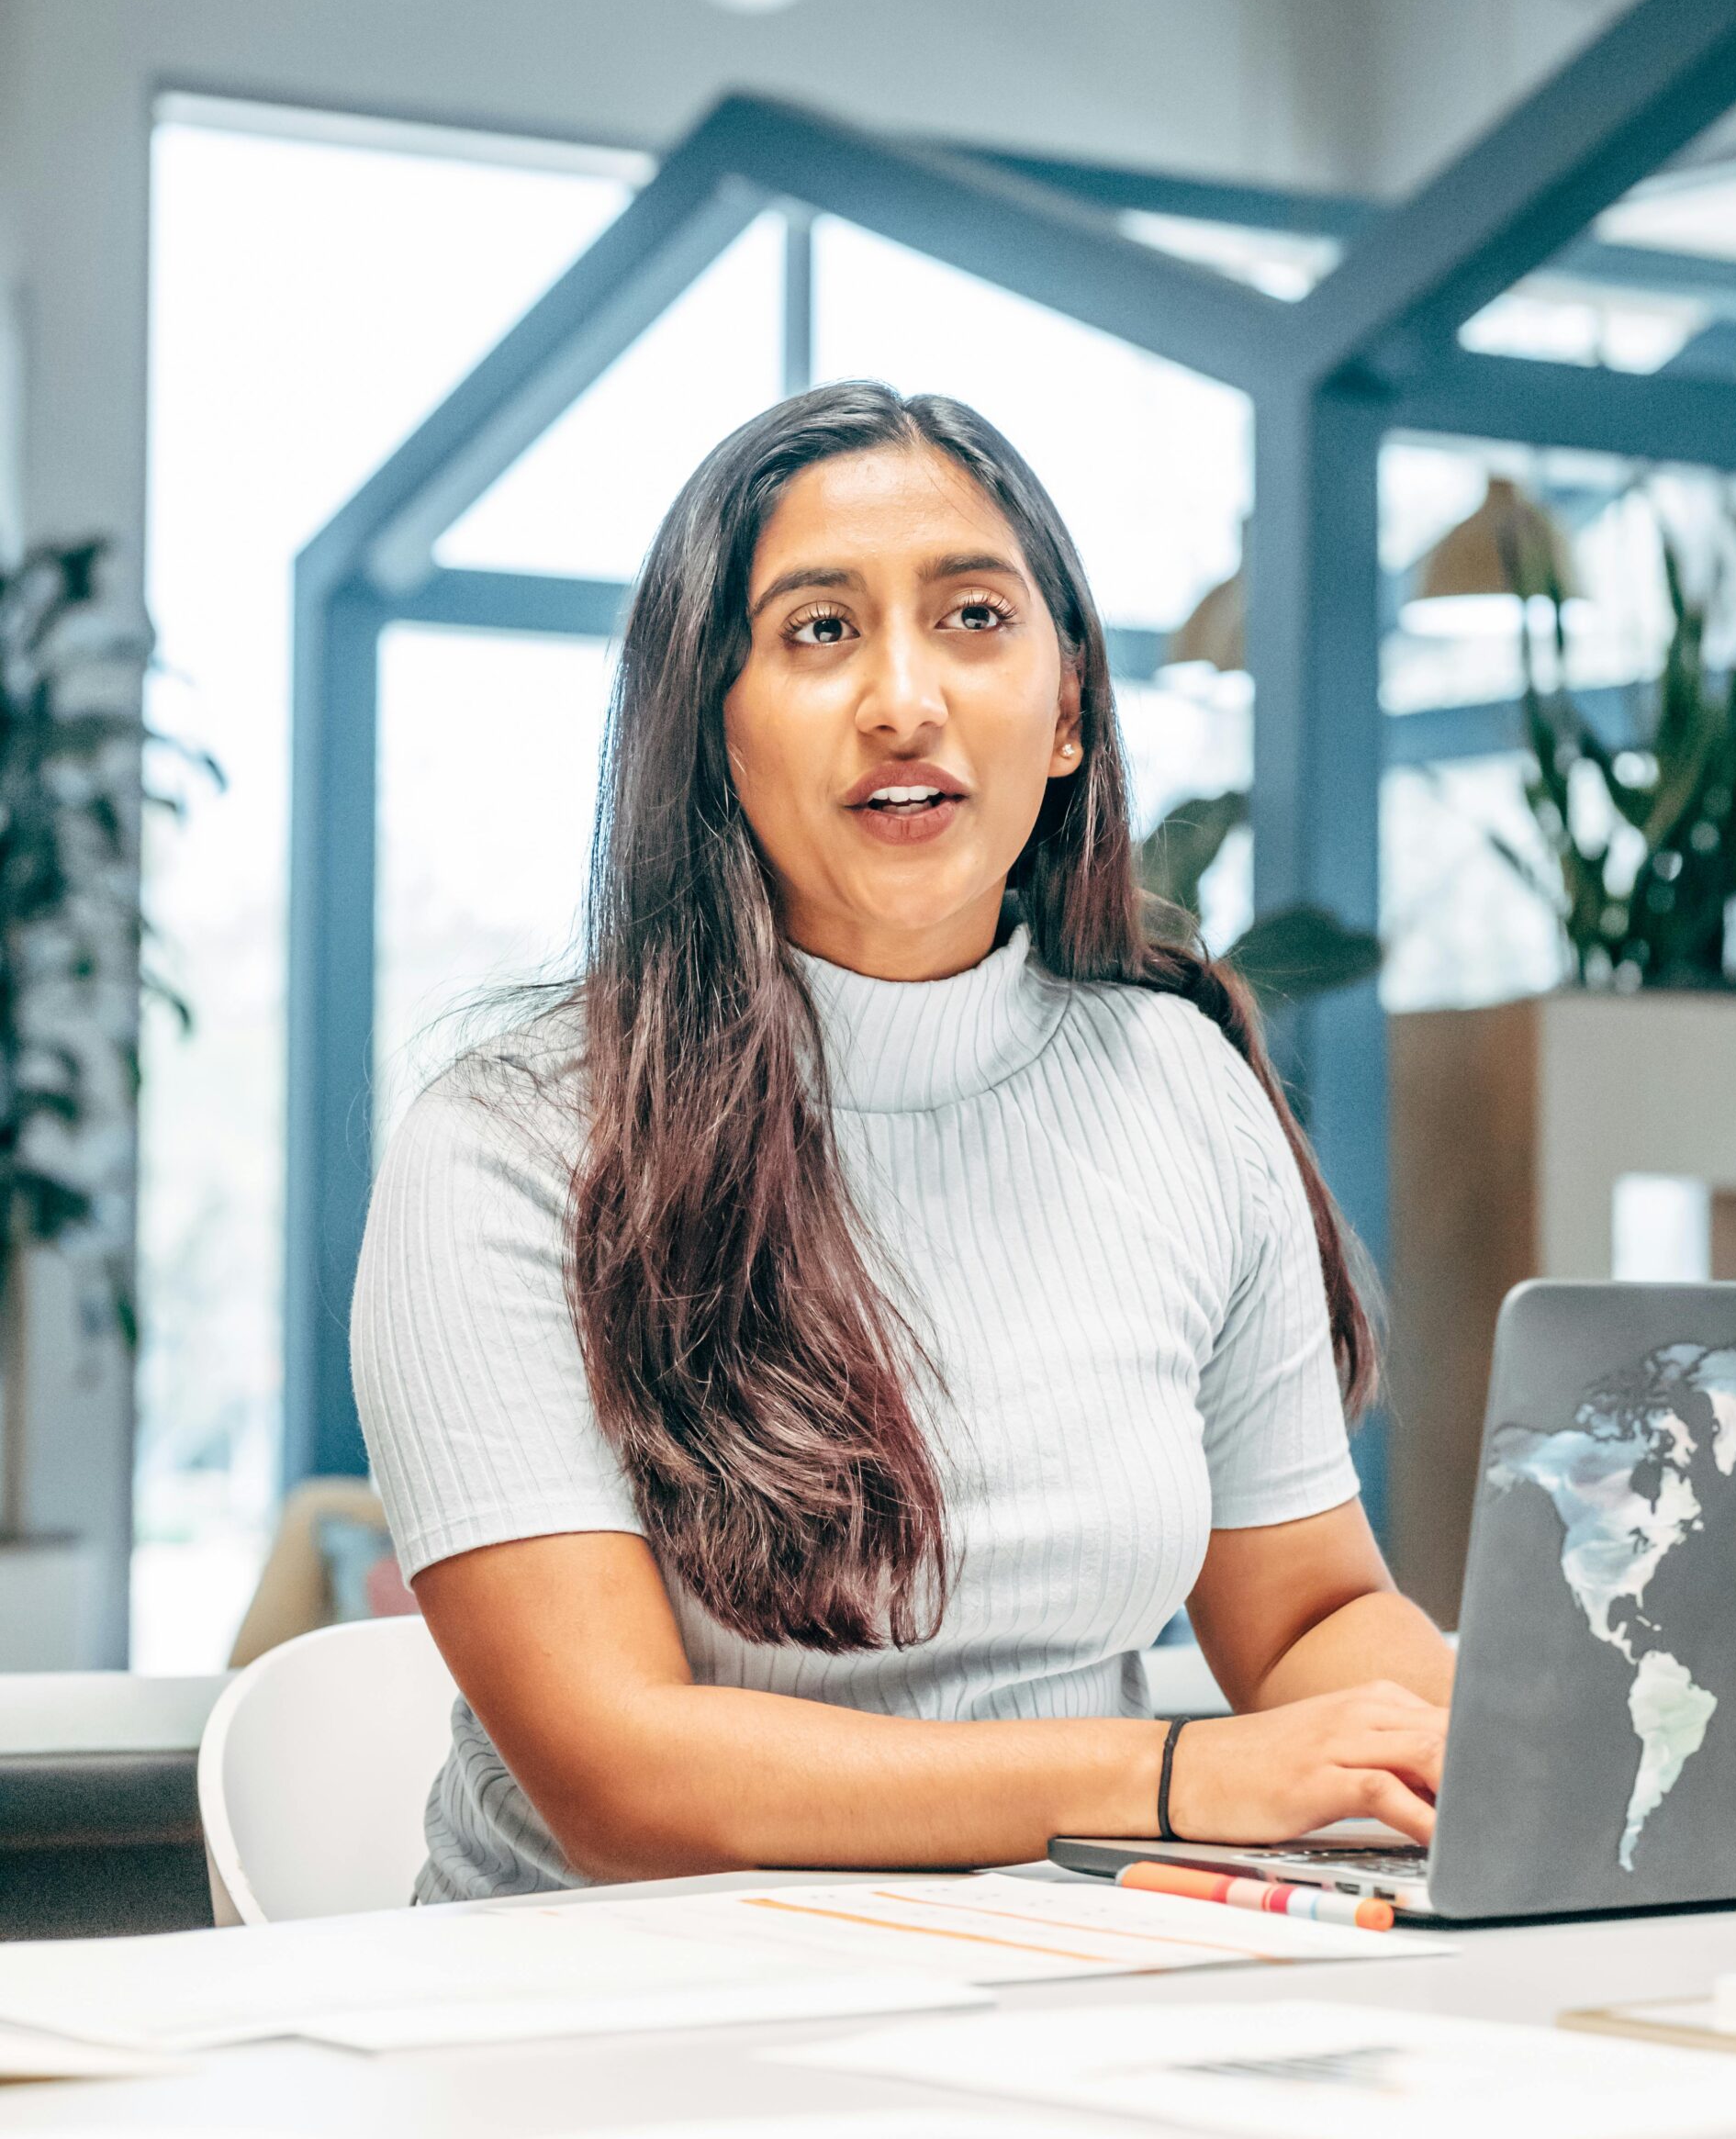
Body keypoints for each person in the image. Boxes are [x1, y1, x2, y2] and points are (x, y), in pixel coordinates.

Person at [353, 380, 1453, 1904]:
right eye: (818, 630)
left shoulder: (1182, 1088)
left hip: (1079, 1991)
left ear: (1068, 715)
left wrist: (1500, 1747)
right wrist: (1179, 1776)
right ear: (710, 727)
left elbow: (1310, 1616)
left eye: (976, 619)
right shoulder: (514, 1142)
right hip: (612, 2026)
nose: (903, 699)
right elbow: (625, 1782)